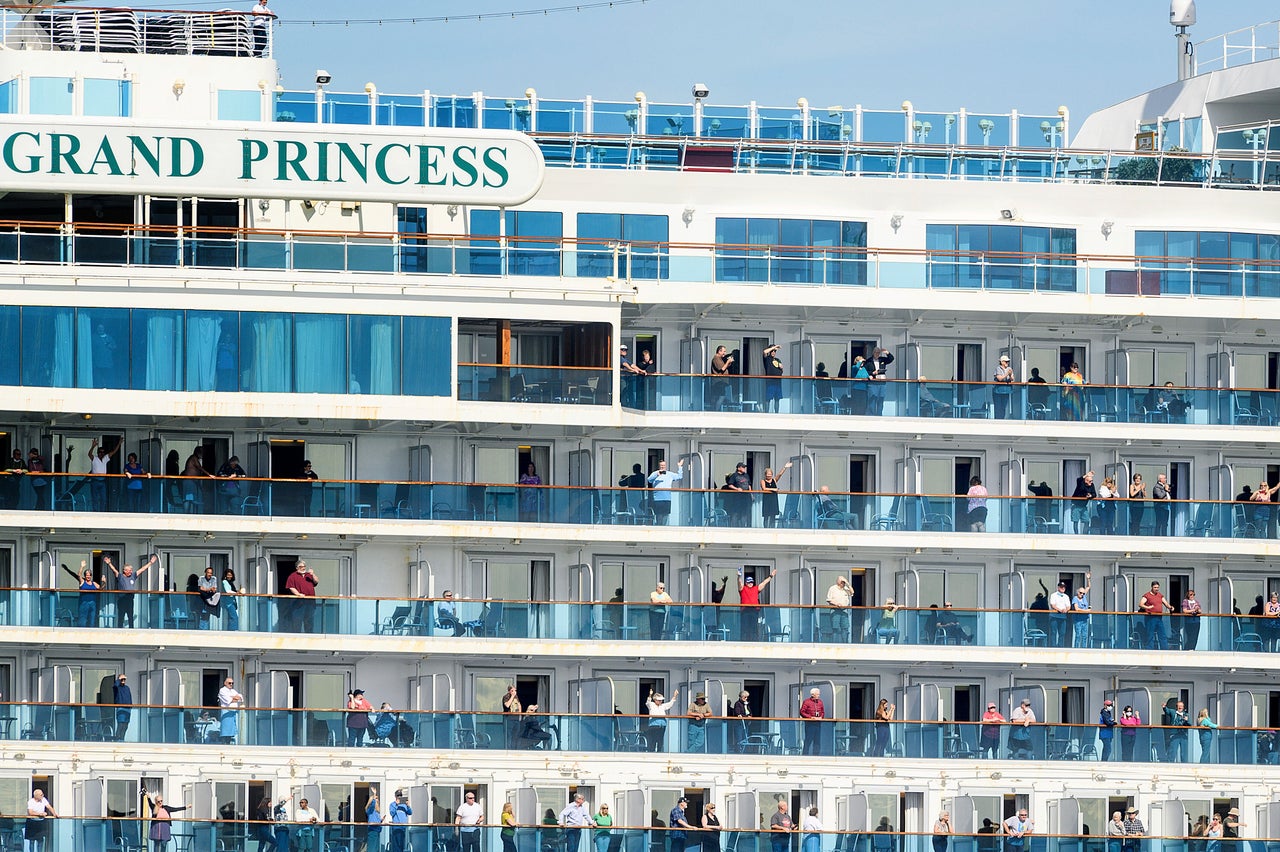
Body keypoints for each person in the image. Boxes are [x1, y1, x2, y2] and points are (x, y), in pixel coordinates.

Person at [106, 553, 155, 629]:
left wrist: (150, 563)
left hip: (130, 599)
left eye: (131, 570)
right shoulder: (120, 577)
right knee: (121, 617)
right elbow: (114, 570)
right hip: (122, 600)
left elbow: (142, 569)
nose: (131, 572)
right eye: (129, 570)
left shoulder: (133, 576)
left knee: (130, 616)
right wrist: (109, 563)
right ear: (125, 571)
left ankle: (131, 630)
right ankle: (119, 630)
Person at [737, 567, 777, 642]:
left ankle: (754, 642)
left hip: (754, 610)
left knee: (754, 628)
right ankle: (744, 643)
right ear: (746, 583)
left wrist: (771, 576)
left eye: (751, 582)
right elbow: (739, 584)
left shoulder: (756, 588)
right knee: (745, 629)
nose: (750, 583)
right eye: (749, 582)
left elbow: (764, 583)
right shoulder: (743, 589)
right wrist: (739, 576)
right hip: (745, 610)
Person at [142, 787, 185, 852]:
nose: (160, 802)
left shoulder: (166, 808)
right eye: (158, 801)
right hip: (156, 828)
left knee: (164, 844)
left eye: (161, 801)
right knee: (156, 844)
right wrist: (148, 796)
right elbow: (150, 802)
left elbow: (175, 809)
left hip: (165, 828)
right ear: (156, 802)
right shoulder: (154, 808)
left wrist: (185, 807)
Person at [63, 559, 103, 628]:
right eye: (87, 575)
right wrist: (82, 567)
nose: (88, 576)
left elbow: (101, 588)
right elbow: (78, 575)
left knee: (92, 620)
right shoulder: (82, 582)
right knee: (82, 620)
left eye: (89, 575)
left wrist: (104, 582)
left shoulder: (94, 583)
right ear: (85, 576)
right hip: (84, 603)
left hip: (92, 603)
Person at [87, 436, 123, 511]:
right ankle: (95, 512)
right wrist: (93, 446)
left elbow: (113, 452)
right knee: (95, 498)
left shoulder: (105, 458)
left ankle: (102, 512)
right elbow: (89, 454)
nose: (101, 453)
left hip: (103, 481)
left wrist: (119, 444)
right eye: (100, 452)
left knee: (103, 499)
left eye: (103, 452)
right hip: (95, 481)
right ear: (98, 452)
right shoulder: (95, 459)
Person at [283, 560, 319, 633]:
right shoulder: (292, 576)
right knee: (297, 621)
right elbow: (291, 587)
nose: (303, 568)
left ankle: (309, 637)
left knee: (309, 621)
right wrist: (298, 594)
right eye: (301, 566)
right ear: (297, 568)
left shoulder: (309, 575)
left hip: (310, 603)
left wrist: (313, 574)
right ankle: (297, 637)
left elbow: (316, 581)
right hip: (298, 603)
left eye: (304, 566)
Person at [648, 458, 685, 525]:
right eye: (661, 465)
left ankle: (664, 528)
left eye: (664, 465)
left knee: (666, 515)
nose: (662, 467)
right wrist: (657, 475)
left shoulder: (669, 474)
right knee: (659, 515)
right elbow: (649, 480)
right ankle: (658, 528)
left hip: (667, 498)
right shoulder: (655, 473)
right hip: (658, 499)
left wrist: (680, 467)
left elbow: (679, 476)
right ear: (659, 466)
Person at [1139, 580, 1173, 651]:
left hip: (1159, 617)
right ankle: (1150, 650)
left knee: (1162, 634)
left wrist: (1170, 607)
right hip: (1150, 618)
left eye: (1157, 587)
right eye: (1155, 587)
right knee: (1150, 634)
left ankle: (1165, 649)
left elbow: (1166, 603)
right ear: (1152, 587)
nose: (1156, 589)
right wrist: (1147, 607)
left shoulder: (1160, 595)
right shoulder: (1147, 595)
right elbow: (1140, 604)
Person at [759, 461, 793, 528]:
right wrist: (773, 489)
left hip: (773, 499)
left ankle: (772, 528)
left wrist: (785, 467)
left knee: (773, 515)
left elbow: (780, 475)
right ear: (765, 474)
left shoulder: (774, 480)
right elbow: (764, 488)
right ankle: (765, 528)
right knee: (766, 515)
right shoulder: (763, 481)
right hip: (767, 499)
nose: (769, 475)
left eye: (770, 474)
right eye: (768, 474)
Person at [25, 788, 58, 852]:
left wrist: (54, 814)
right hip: (32, 822)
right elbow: (30, 812)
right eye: (41, 795)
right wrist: (40, 814)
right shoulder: (31, 802)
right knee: (31, 840)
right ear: (36, 796)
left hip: (41, 822)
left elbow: (49, 807)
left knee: (40, 840)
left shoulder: (43, 799)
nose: (43, 795)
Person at [724, 462, 753, 527]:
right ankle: (734, 527)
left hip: (746, 497)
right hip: (737, 498)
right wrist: (737, 489)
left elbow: (749, 485)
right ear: (738, 468)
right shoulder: (734, 475)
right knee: (736, 513)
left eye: (744, 467)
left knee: (744, 513)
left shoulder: (746, 475)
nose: (744, 468)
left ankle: (743, 527)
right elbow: (730, 485)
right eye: (743, 467)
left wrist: (751, 493)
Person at [825, 576, 853, 642]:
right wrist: (836, 604)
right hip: (835, 610)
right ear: (838, 581)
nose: (842, 583)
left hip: (844, 610)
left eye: (844, 582)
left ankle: (845, 643)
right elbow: (829, 600)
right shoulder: (832, 588)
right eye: (841, 582)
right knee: (835, 628)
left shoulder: (845, 588)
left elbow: (852, 592)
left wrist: (848, 583)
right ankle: (835, 643)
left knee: (845, 628)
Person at [799, 687, 826, 756]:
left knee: (817, 741)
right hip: (810, 724)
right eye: (817, 694)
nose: (819, 695)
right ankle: (805, 755)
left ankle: (816, 756)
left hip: (818, 724)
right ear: (813, 694)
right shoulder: (807, 702)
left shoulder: (820, 702)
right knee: (808, 740)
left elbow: (823, 712)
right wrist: (810, 717)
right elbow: (802, 712)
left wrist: (821, 717)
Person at [218, 676, 244, 744]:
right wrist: (234, 698)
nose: (231, 684)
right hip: (226, 712)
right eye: (229, 683)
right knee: (226, 732)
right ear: (225, 683)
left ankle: (229, 744)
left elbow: (240, 698)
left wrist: (233, 698)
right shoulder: (222, 690)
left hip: (233, 712)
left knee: (232, 732)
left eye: (232, 683)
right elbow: (227, 701)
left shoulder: (233, 690)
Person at [710, 345, 735, 410]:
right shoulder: (716, 358)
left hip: (721, 382)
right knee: (721, 397)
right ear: (719, 351)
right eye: (724, 351)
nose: (725, 353)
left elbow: (724, 367)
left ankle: (716, 409)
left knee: (720, 397)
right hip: (718, 382)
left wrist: (729, 363)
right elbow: (722, 368)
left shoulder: (719, 359)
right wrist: (728, 361)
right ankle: (716, 410)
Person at [1072, 573, 1093, 648]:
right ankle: (1076, 648)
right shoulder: (1075, 598)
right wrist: (1087, 611)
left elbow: (1089, 587)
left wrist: (1088, 578)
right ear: (1078, 593)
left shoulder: (1084, 597)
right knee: (1078, 635)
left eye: (1083, 593)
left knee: (1084, 636)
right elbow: (1077, 609)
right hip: (1078, 620)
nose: (1082, 594)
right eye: (1080, 593)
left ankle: (1084, 648)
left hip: (1085, 620)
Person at [762, 343, 785, 412]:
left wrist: (782, 368)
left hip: (778, 382)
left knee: (777, 399)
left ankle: (776, 414)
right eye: (772, 351)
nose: (773, 352)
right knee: (768, 399)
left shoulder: (778, 360)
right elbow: (764, 352)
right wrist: (774, 347)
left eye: (775, 351)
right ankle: (766, 414)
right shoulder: (767, 359)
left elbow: (781, 371)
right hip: (770, 382)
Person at [1048, 580, 1071, 646]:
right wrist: (1060, 610)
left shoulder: (1066, 596)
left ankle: (1060, 646)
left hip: (1063, 617)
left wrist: (1066, 610)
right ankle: (1053, 646)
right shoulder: (1053, 595)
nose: (1063, 588)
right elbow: (1053, 605)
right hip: (1054, 616)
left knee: (1062, 633)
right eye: (1061, 587)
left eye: (1064, 587)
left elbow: (1068, 606)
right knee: (1053, 632)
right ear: (1058, 587)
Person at [113, 673, 133, 741]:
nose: (123, 680)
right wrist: (119, 679)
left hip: (128, 709)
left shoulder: (127, 688)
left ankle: (122, 739)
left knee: (125, 726)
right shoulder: (117, 688)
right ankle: (117, 739)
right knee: (120, 725)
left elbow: (129, 697)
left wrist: (130, 706)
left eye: (124, 679)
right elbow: (115, 685)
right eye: (122, 679)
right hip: (121, 709)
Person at [503, 684, 524, 748]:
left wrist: (520, 715)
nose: (514, 692)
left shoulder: (516, 697)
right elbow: (507, 705)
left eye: (515, 690)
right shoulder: (506, 697)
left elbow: (519, 705)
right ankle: (508, 750)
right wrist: (512, 696)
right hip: (509, 719)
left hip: (516, 719)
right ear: (509, 691)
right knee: (508, 735)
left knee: (516, 735)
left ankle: (514, 749)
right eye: (512, 690)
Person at [365, 787, 384, 852]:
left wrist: (381, 820)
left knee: (376, 849)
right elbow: (372, 805)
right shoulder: (370, 810)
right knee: (372, 849)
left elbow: (376, 820)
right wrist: (374, 794)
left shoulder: (377, 812)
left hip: (377, 831)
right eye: (376, 799)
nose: (377, 801)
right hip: (372, 831)